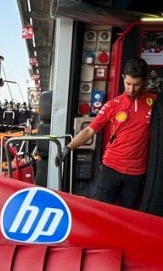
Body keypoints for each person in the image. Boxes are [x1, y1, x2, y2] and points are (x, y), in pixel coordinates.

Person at [63, 57, 155, 209]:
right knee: (101, 213)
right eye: (128, 84)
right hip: (111, 168)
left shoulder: (155, 103)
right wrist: (68, 148)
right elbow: (89, 130)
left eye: (137, 85)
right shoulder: (113, 105)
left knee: (128, 218)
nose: (131, 89)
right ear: (123, 78)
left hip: (137, 173)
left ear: (144, 81)